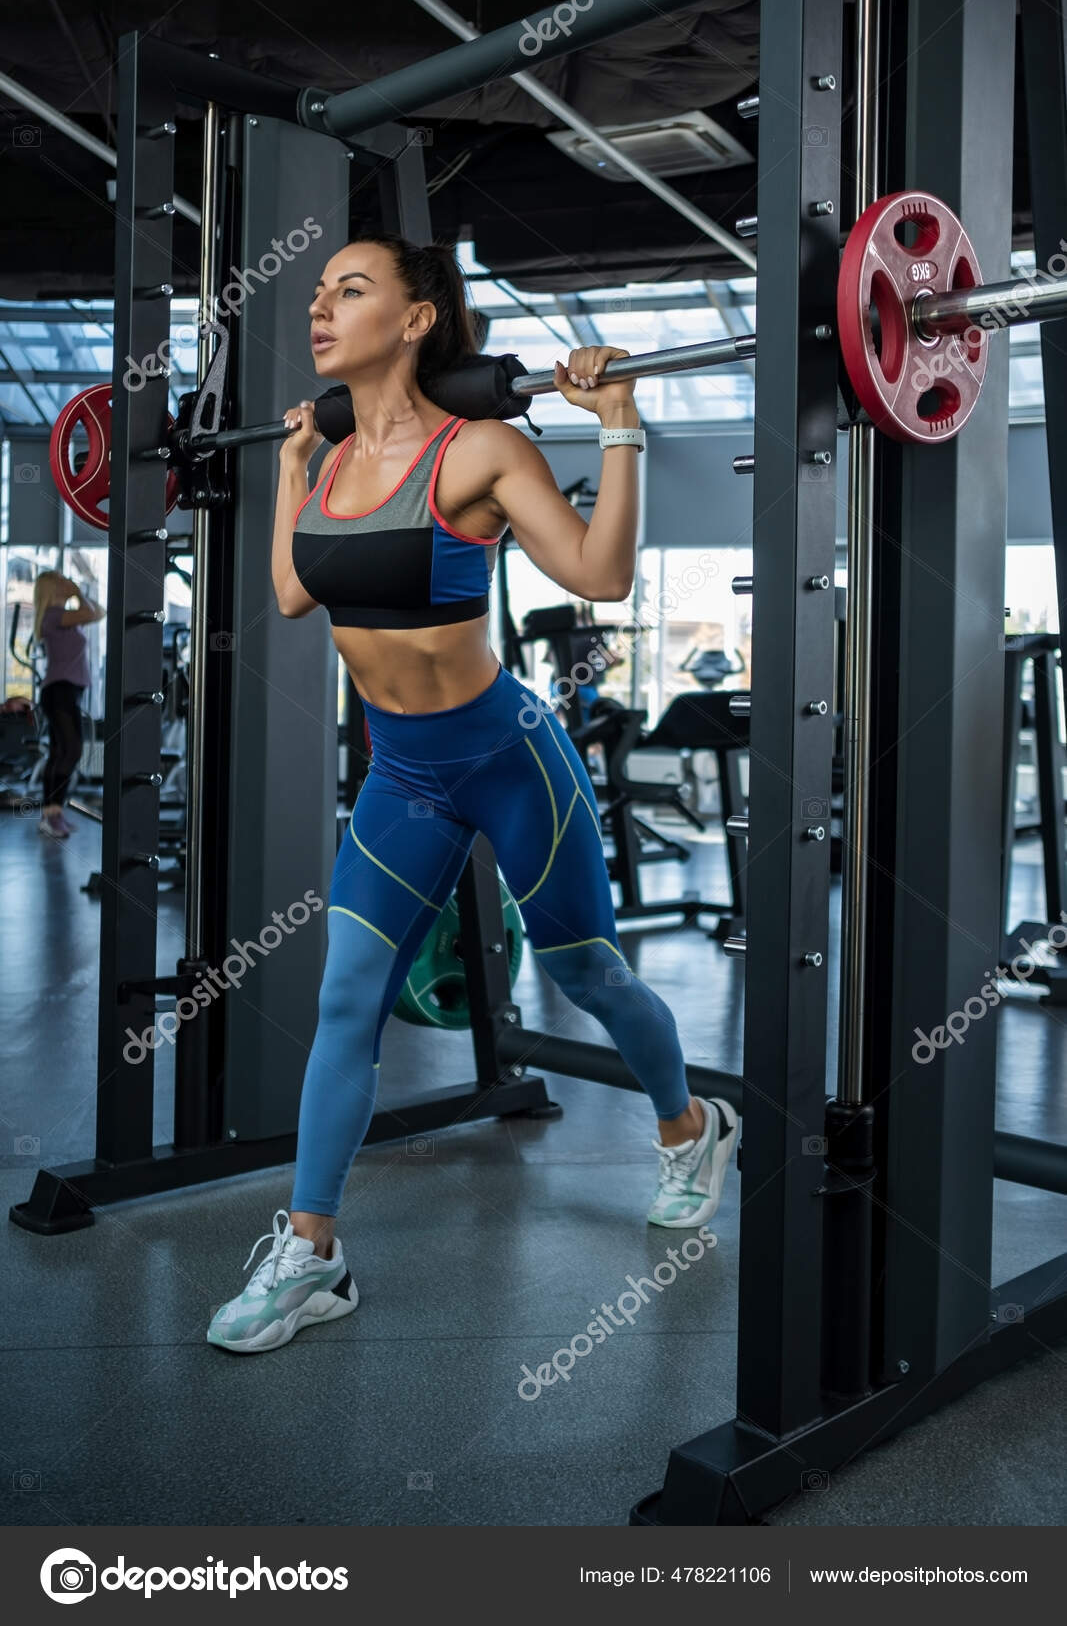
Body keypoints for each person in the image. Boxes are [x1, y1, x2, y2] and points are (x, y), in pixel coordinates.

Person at [207, 237, 738, 1353]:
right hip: (400, 773)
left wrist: (617, 421)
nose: (318, 306)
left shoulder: (478, 448)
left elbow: (598, 575)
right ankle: (310, 1253)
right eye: (314, 291)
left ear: (415, 319)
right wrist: (294, 470)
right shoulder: (339, 457)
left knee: (586, 969)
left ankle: (690, 1125)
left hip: (506, 755)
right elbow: (296, 591)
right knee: (346, 998)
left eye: (349, 289)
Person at [31, 570, 103, 839]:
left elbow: (101, 611)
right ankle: (51, 814)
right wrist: (79, 594)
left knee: (60, 752)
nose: (66, 584)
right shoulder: (53, 617)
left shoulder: (66, 619)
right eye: (60, 582)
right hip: (59, 691)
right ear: (51, 589)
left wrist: (78, 595)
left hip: (67, 691)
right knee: (71, 750)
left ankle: (53, 814)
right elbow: (94, 613)